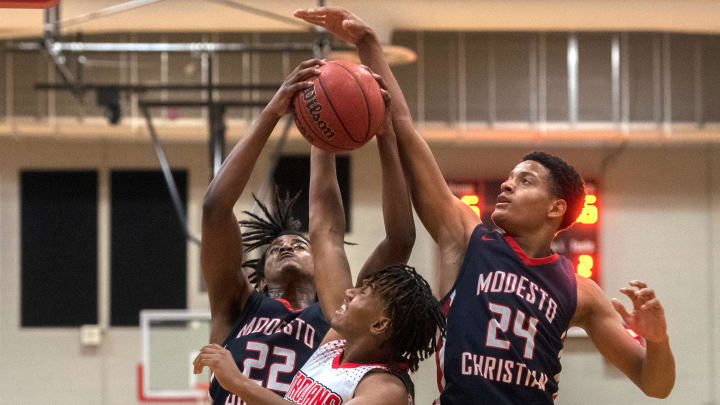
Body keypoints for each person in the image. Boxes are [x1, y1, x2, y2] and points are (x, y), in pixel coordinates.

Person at [294, 7, 676, 404]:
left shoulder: (580, 292)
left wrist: (659, 341)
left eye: (525, 181)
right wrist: (370, 46)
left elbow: (655, 383)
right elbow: (405, 128)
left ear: (555, 208)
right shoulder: (466, 237)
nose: (507, 186)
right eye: (509, 179)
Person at [201, 58, 415, 404]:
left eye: (300, 245)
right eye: (275, 249)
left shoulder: (341, 319)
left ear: (325, 272)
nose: (286, 246)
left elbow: (395, 237)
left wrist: (379, 134)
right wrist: (273, 113)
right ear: (258, 280)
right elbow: (214, 209)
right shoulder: (237, 306)